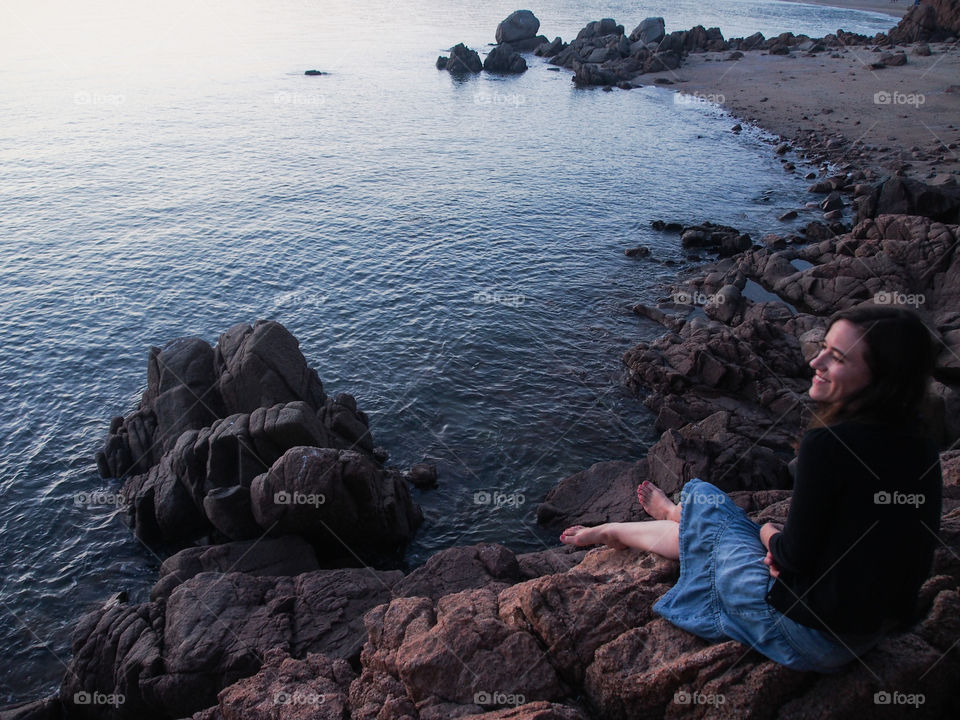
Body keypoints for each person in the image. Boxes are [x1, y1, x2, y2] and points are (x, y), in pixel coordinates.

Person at [561, 305, 942, 672]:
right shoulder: (921, 441)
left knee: (703, 495)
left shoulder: (828, 446)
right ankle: (672, 518)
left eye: (837, 357)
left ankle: (620, 529)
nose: (815, 362)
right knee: (712, 516)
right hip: (869, 636)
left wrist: (769, 533)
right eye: (823, 347)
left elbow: (792, 558)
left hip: (804, 635)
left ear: (881, 378)